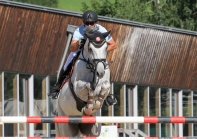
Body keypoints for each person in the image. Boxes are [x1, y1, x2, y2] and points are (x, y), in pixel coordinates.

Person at [48, 10, 117, 106]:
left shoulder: (102, 30)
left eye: (91, 23)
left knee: (105, 67)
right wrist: (77, 43)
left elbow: (113, 45)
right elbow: (72, 48)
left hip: (96, 54)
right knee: (66, 65)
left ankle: (109, 94)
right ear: (83, 22)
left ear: (95, 22)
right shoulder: (79, 31)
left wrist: (100, 52)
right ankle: (57, 88)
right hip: (80, 52)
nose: (89, 25)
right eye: (86, 23)